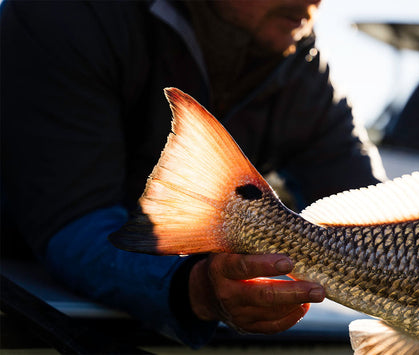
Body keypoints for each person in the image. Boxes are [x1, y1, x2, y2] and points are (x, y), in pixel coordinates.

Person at [1, 0, 384, 348]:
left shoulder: (306, 66)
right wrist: (195, 286)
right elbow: (71, 215)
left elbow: (375, 219)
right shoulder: (64, 14)